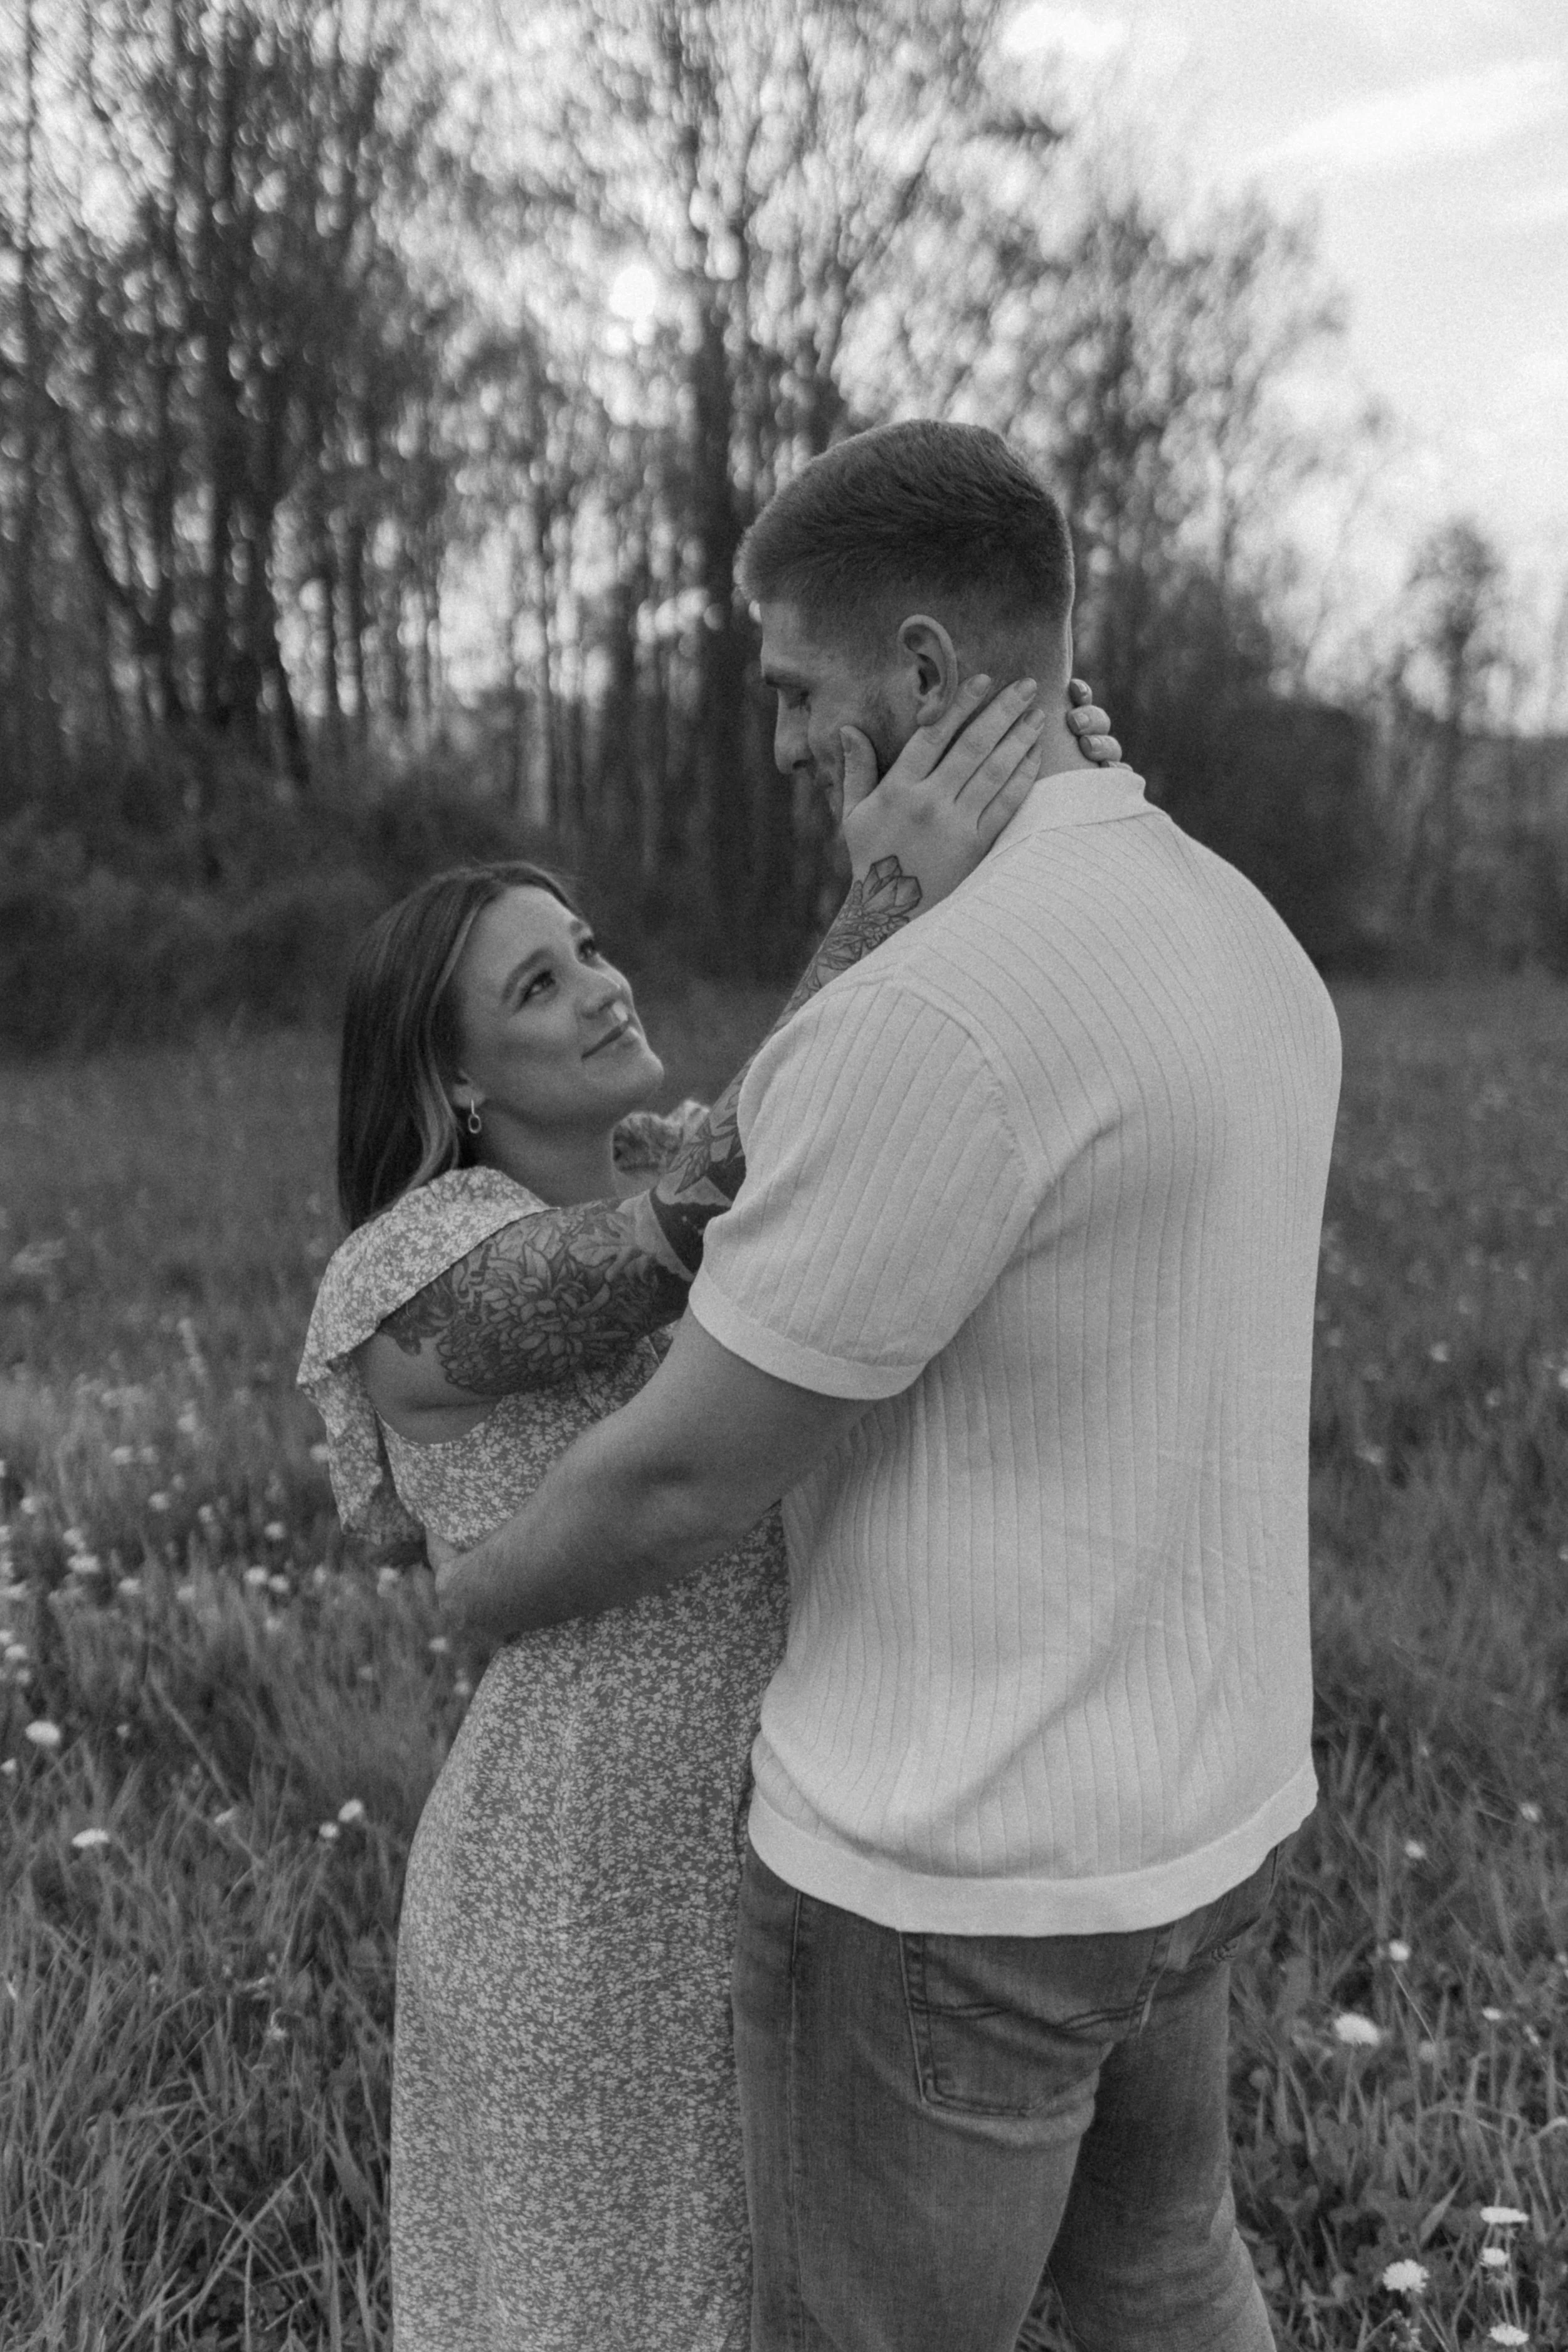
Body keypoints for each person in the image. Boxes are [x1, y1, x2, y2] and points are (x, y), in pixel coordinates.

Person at [435, 420, 1345, 2352]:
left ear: (924, 675)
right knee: (1168, 2274)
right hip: (1199, 1820)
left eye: (789, 685)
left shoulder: (930, 1009)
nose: (771, 737)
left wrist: (479, 1589)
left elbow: (686, 1474)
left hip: (960, 1880)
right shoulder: (1241, 928)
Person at [297, 667, 1123, 2350]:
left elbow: (831, 1146)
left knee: (761, 2300)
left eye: (588, 945)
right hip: (575, 1875)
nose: (600, 985)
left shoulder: (682, 1154)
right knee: (601, 2306)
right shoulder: (411, 1271)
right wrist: (888, 890)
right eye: (538, 985)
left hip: (790, 1825)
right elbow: (643, 1248)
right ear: (458, 1085)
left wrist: (1056, 835)